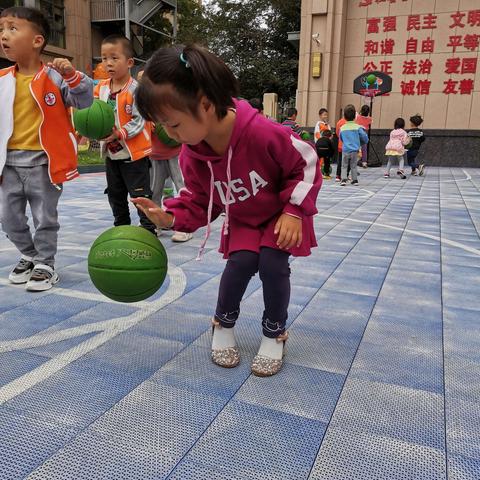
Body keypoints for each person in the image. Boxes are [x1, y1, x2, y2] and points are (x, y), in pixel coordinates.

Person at [132, 45, 322, 377]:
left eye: (173, 124)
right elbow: (201, 199)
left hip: (279, 215)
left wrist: (294, 211)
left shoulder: (263, 133)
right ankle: (222, 324)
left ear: (205, 103)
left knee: (273, 264)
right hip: (243, 220)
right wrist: (170, 217)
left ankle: (275, 332)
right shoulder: (194, 155)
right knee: (241, 263)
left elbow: (306, 162)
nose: (169, 134)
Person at [0, 6, 93, 291]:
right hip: (9, 164)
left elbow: (85, 100)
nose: (4, 35)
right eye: (1, 29)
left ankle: (45, 263)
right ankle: (29, 255)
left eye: (12, 28)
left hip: (44, 163)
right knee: (8, 217)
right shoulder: (2, 79)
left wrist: (72, 75)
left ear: (37, 41)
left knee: (44, 218)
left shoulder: (55, 77)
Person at [95, 34, 156, 235]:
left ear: (129, 62)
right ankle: (121, 229)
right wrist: (89, 129)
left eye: (114, 57)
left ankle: (148, 230)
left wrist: (119, 134)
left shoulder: (136, 90)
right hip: (112, 155)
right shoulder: (101, 88)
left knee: (140, 195)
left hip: (134, 154)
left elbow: (140, 120)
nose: (108, 63)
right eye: (104, 58)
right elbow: (93, 113)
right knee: (115, 194)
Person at [339, 105, 368, 186]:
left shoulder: (342, 128)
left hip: (345, 149)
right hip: (355, 150)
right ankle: (355, 180)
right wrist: (362, 142)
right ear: (355, 116)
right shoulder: (358, 127)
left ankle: (343, 179)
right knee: (353, 165)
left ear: (344, 116)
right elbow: (364, 137)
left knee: (344, 165)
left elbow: (341, 138)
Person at [335, 115, 347, 181]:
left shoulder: (339, 122)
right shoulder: (353, 123)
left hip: (341, 145)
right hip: (349, 146)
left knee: (340, 161)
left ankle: (338, 175)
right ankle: (345, 175)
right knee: (348, 161)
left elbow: (337, 133)